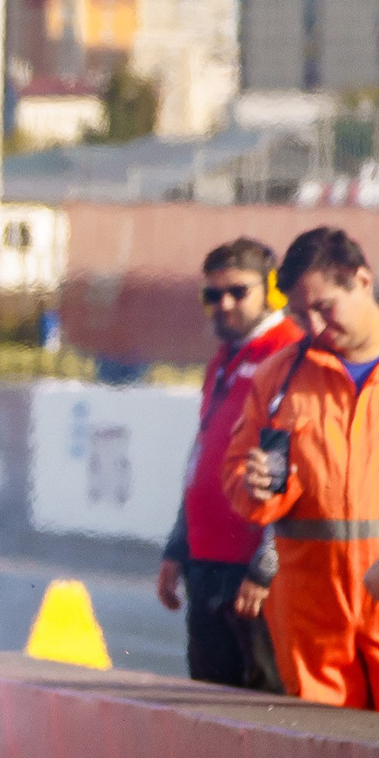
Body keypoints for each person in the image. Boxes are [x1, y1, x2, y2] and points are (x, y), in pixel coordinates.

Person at [223, 226, 379, 714]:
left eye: (324, 307)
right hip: (312, 620)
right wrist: (252, 486)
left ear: (362, 280)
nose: (313, 326)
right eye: (300, 313)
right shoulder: (279, 376)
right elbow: (236, 473)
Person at [156, 239, 296, 689]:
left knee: (263, 709)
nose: (224, 304)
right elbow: (202, 456)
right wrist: (179, 545)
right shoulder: (223, 359)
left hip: (251, 571)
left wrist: (266, 565)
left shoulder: (291, 355)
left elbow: (295, 466)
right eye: (212, 296)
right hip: (207, 561)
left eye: (238, 291)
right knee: (209, 707)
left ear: (272, 291)